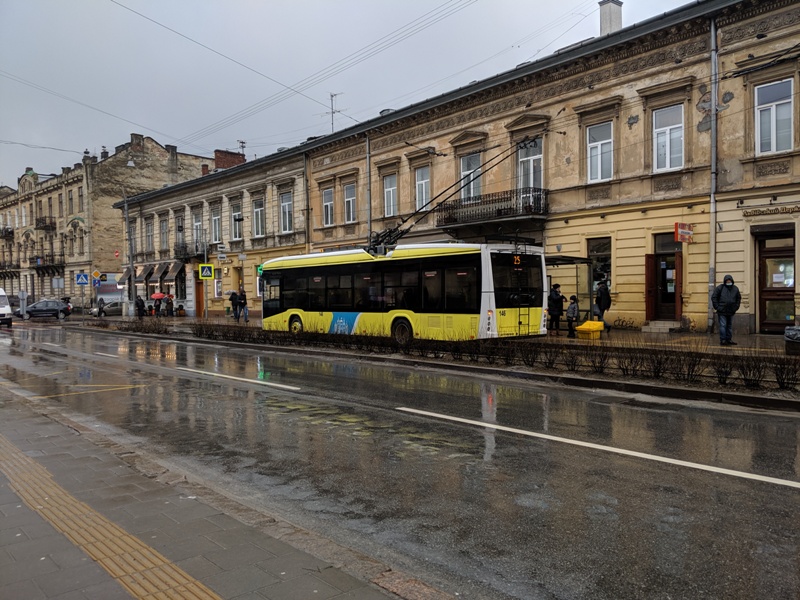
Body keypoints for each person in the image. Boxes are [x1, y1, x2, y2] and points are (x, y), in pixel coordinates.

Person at [712, 274, 741, 346]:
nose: (728, 282)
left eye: (729, 281)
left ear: (732, 281)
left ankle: (729, 339)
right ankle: (723, 340)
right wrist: (717, 307)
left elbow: (738, 298)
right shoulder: (720, 288)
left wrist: (736, 307)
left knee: (729, 326)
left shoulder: (735, 289)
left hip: (731, 311)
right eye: (727, 281)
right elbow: (714, 297)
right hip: (722, 311)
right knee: (723, 325)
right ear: (725, 281)